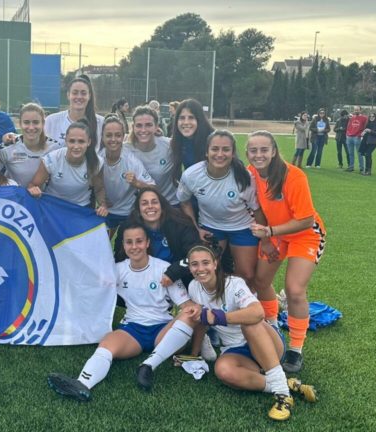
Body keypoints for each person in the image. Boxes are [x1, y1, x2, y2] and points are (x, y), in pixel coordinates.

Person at [135, 245, 317, 421]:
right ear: (189, 268)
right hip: (236, 350)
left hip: (268, 342)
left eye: (205, 263)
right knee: (222, 371)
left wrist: (220, 317)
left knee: (249, 323)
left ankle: (283, 396)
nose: (200, 269)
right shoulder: (194, 289)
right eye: (194, 264)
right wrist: (194, 354)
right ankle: (288, 384)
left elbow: (258, 313)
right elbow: (201, 322)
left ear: (215, 264)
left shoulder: (234, 283)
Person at [47, 223, 192, 402]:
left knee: (189, 314)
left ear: (147, 243)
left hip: (163, 330)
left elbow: (186, 304)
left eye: (139, 241)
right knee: (107, 343)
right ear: (123, 245)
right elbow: (90, 287)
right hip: (133, 331)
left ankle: (147, 365)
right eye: (129, 242)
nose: (134, 246)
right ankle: (82, 384)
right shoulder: (117, 270)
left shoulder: (163, 268)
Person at [245, 131, 327, 373]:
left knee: (294, 289)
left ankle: (296, 349)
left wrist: (269, 232)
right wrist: (269, 238)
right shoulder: (250, 174)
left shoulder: (294, 176)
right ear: (247, 153)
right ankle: (272, 326)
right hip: (274, 234)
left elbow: (304, 220)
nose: (258, 155)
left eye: (264, 150)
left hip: (305, 234)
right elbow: (256, 207)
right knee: (261, 281)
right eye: (253, 151)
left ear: (273, 151)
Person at [177, 130, 263, 289]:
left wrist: (266, 238)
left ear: (233, 152)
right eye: (215, 149)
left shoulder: (245, 177)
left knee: (247, 274)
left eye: (226, 149)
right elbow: (184, 202)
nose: (220, 154)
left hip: (242, 227)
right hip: (211, 227)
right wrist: (197, 228)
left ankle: (239, 305)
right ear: (206, 151)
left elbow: (257, 210)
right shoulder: (192, 175)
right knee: (208, 272)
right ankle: (214, 305)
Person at [28, 121, 107, 216]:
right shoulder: (52, 159)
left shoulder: (96, 162)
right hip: (53, 207)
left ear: (89, 142)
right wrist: (33, 190)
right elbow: (33, 185)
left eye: (81, 141)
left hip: (81, 208)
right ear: (66, 141)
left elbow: (99, 189)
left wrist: (103, 205)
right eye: (72, 141)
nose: (76, 146)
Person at [101, 115, 155, 230]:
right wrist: (100, 198)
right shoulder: (97, 158)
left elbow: (153, 187)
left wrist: (137, 183)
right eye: (109, 135)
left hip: (128, 213)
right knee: (100, 246)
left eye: (118, 135)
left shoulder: (131, 160)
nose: (113, 139)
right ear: (102, 137)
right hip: (105, 210)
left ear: (123, 136)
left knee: (126, 246)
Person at [124, 106, 179, 206]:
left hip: (170, 203)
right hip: (142, 206)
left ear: (156, 126)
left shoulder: (170, 145)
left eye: (148, 125)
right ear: (133, 127)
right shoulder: (126, 149)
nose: (143, 130)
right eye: (139, 125)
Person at [0, 103, 60, 187]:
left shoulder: (55, 148)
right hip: (16, 199)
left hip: (44, 198)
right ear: (20, 124)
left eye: (36, 122)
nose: (31, 127)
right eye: (26, 122)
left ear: (43, 123)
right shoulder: (7, 148)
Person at [45, 75, 104, 149]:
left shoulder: (101, 123)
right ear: (68, 95)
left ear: (89, 96)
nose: (79, 97)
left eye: (83, 93)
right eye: (75, 93)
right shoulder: (51, 121)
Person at [169, 98, 215, 172]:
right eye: (182, 118)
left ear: (199, 119)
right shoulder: (177, 141)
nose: (186, 122)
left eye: (191, 117)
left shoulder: (214, 140)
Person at [345, 106, 367, 172]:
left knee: (359, 153)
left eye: (357, 110)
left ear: (360, 110)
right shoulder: (351, 118)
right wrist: (347, 134)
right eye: (355, 110)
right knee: (350, 153)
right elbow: (349, 126)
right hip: (349, 137)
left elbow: (366, 127)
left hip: (357, 137)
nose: (356, 111)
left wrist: (361, 134)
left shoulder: (364, 118)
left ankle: (361, 168)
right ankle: (351, 167)